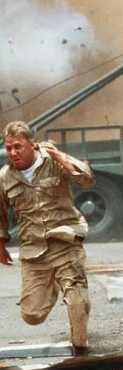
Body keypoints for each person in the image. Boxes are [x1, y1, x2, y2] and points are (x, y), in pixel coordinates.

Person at [0, 121, 95, 353]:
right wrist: (1, 242)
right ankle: (52, 285)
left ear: (32, 145)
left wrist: (62, 158)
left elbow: (87, 180)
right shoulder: (5, 177)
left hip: (65, 241)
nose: (13, 152)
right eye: (9, 148)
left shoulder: (54, 161)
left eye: (18, 147)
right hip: (34, 250)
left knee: (76, 299)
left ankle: (81, 350)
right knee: (32, 315)